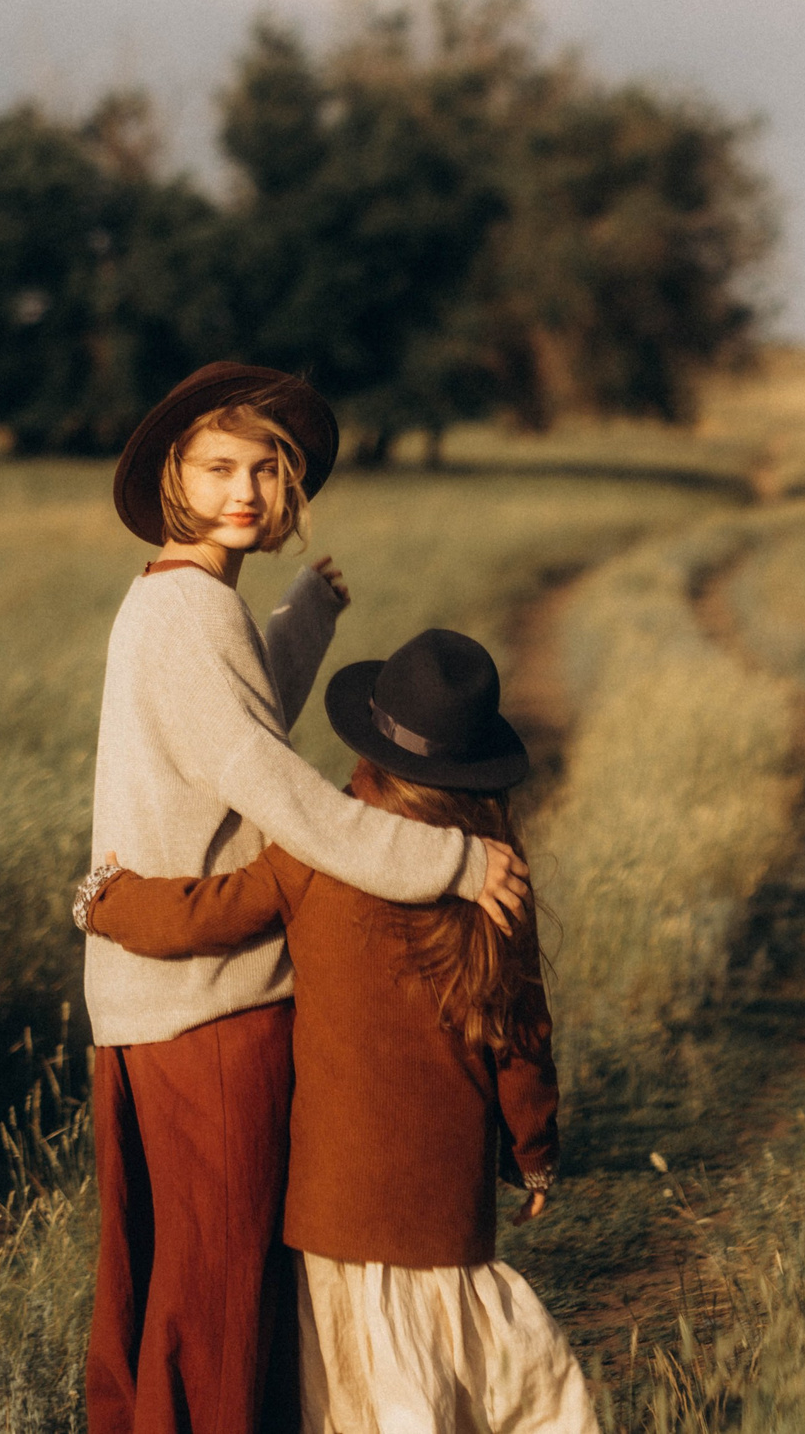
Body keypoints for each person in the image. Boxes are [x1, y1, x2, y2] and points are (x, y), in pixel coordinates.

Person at [78, 363, 529, 1434]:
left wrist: (305, 617)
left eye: (266, 468)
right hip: (210, 1004)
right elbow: (276, 789)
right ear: (173, 479)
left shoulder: (179, 602)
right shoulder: (190, 612)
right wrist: (456, 867)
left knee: (167, 1286)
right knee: (220, 1296)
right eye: (219, 467)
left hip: (156, 993)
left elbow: (231, 736)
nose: (247, 489)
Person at [79, 627, 598, 1434]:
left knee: (356, 1397)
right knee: (479, 1387)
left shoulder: (314, 856)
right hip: (445, 1208)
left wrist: (104, 900)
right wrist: (534, 1157)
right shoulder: (495, 882)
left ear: (367, 749)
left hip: (329, 1204)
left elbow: (202, 915)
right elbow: (521, 1042)